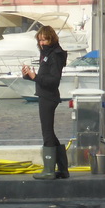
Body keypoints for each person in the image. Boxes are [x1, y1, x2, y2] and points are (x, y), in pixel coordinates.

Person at [21, 25, 69, 180]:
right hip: (45, 95)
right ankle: (63, 169)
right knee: (50, 133)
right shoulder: (46, 53)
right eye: (40, 40)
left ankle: (49, 170)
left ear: (51, 38)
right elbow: (42, 78)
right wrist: (28, 75)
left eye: (44, 39)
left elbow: (53, 80)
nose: (42, 43)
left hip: (49, 97)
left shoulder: (54, 55)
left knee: (47, 132)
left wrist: (35, 77)